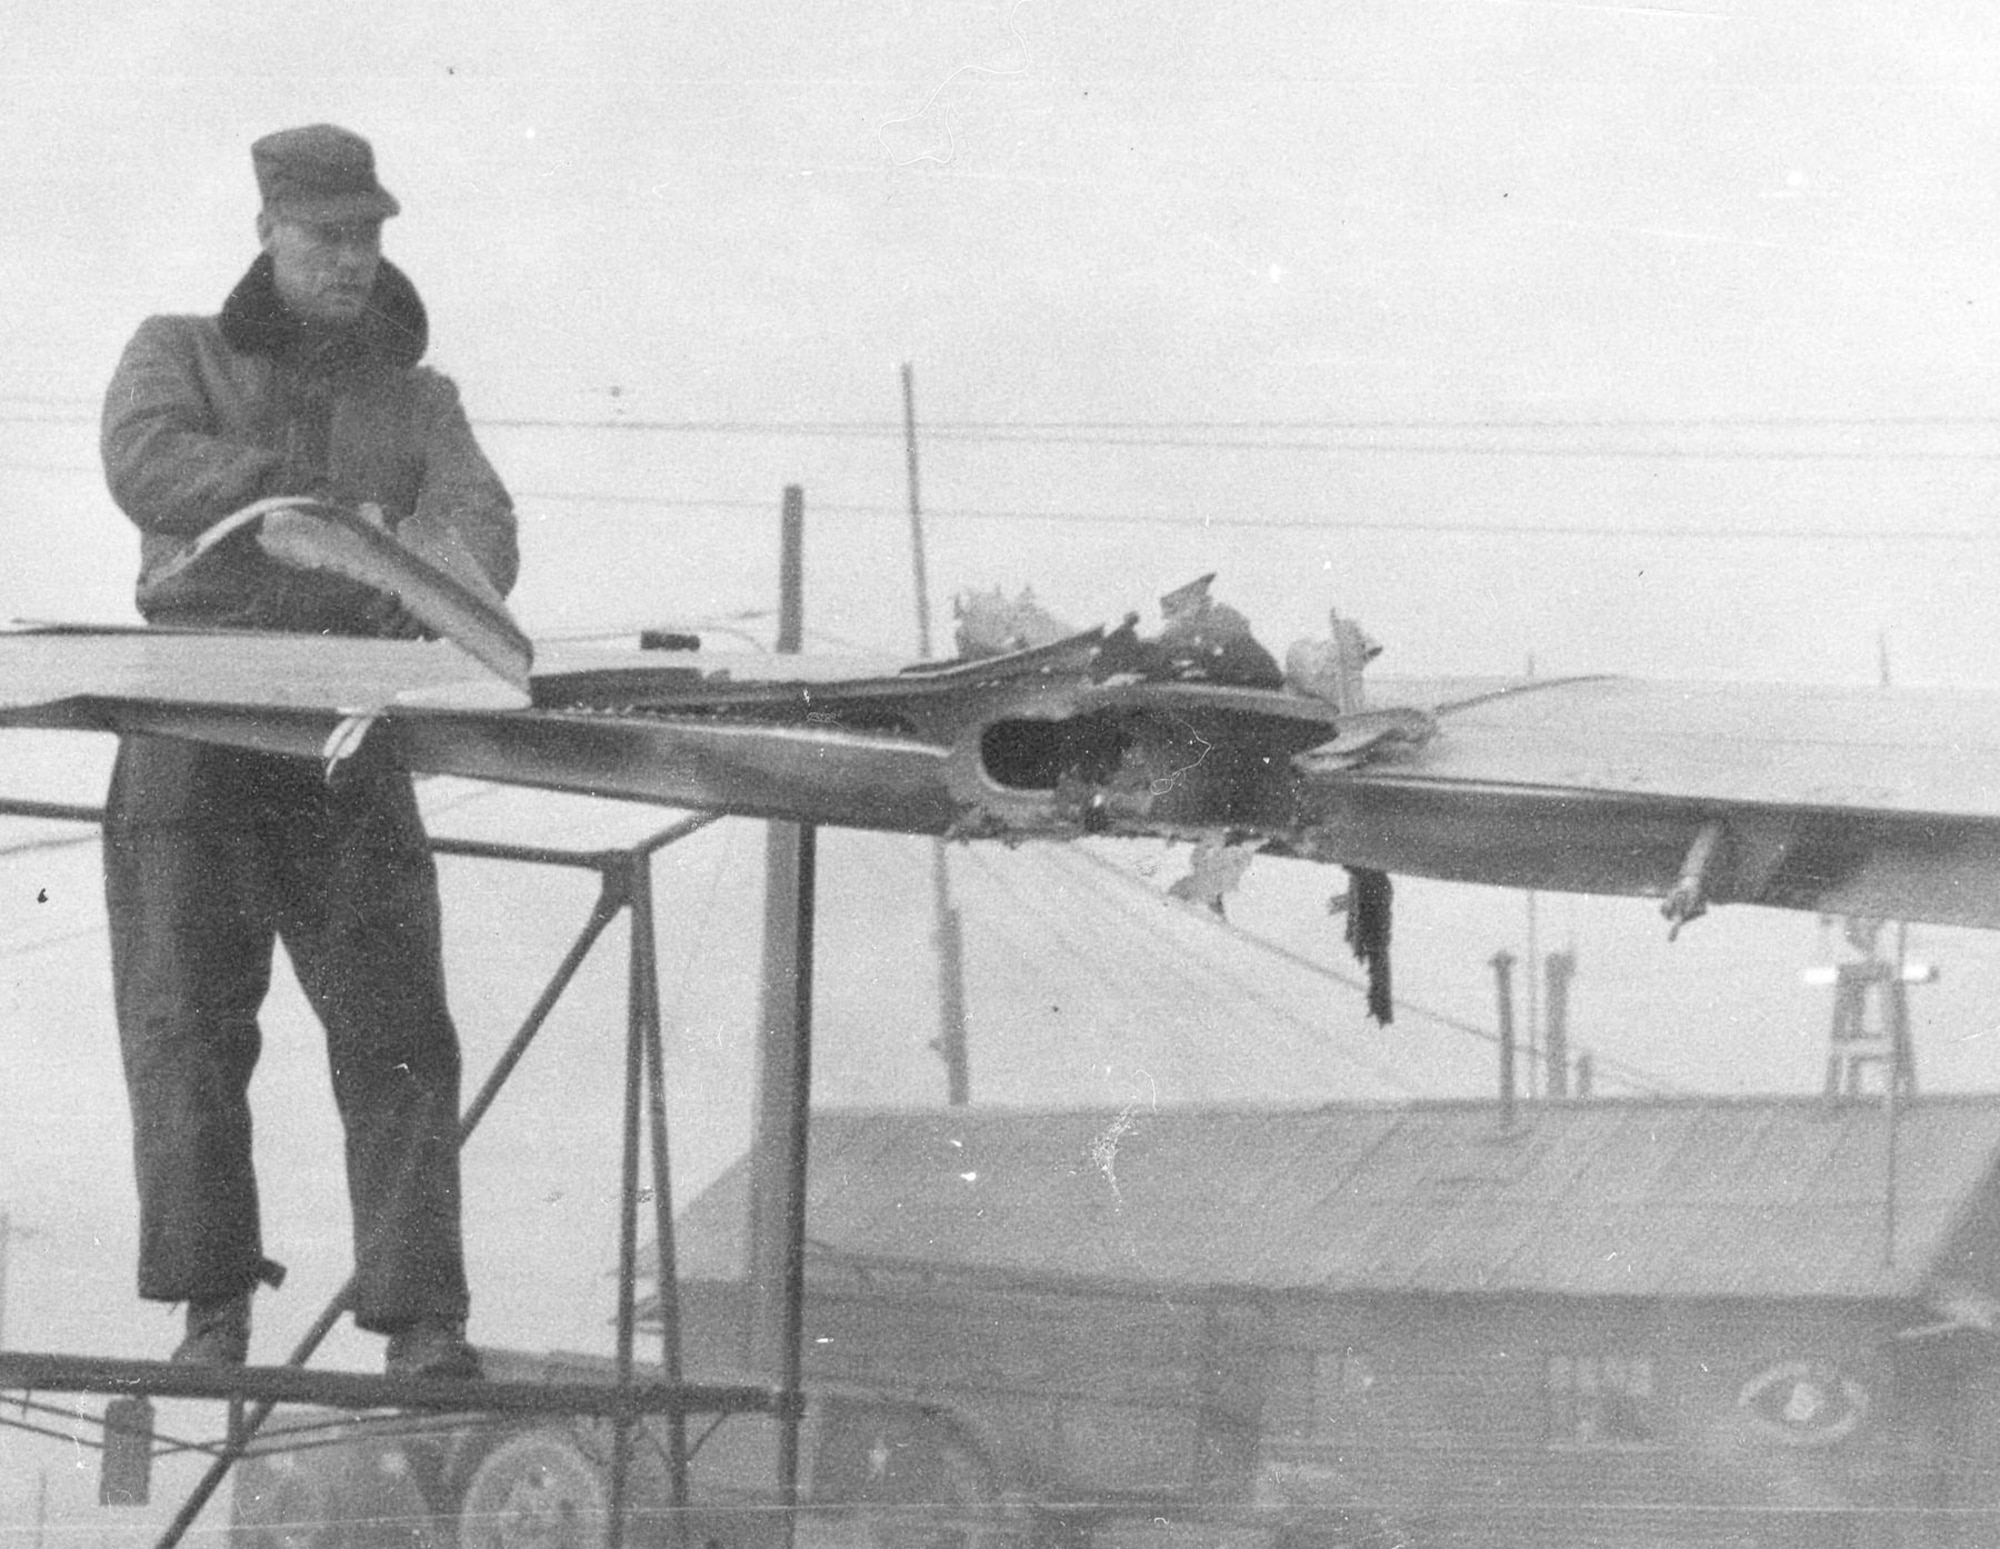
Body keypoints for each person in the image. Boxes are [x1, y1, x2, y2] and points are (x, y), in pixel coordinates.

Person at [98, 124, 518, 1378]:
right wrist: (295, 513)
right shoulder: (175, 351)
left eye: (368, 236)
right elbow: (145, 458)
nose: (350, 259)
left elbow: (481, 530)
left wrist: (408, 568)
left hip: (347, 725)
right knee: (185, 1022)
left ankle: (420, 1320)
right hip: (192, 716)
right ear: (268, 233)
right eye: (326, 235)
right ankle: (208, 1310)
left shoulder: (419, 397)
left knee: (397, 1027)